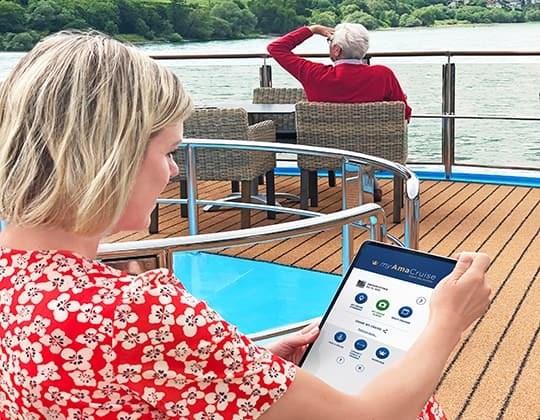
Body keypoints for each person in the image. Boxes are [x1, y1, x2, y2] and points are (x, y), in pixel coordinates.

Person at [0, 31, 491, 419]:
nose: (173, 171)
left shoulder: (19, 282)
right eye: (169, 151)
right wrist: (447, 322)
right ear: (111, 157)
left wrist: (248, 366)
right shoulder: (136, 313)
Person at [268, 23, 412, 201]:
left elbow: (275, 48)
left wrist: (312, 30)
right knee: (361, 143)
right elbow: (405, 114)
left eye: (329, 42)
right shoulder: (383, 74)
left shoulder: (313, 74)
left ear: (336, 50)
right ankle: (368, 178)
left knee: (345, 145)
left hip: (325, 151)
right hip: (373, 152)